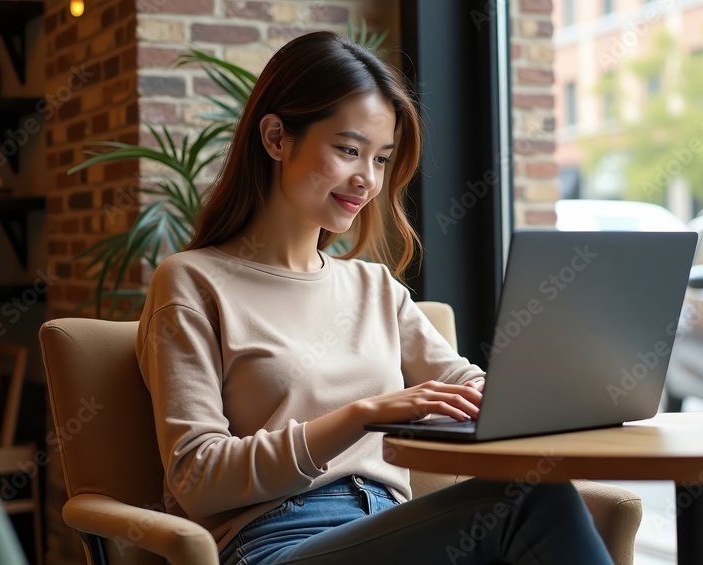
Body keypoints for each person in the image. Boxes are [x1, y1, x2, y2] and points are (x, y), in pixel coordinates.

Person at [135, 30, 613, 565]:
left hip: (392, 530)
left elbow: (465, 385)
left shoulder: (375, 288)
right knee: (531, 501)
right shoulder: (191, 282)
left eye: (381, 159)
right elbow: (197, 477)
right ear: (275, 138)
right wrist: (360, 415)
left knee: (537, 495)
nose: (367, 179)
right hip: (275, 542)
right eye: (348, 150)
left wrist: (531, 389)